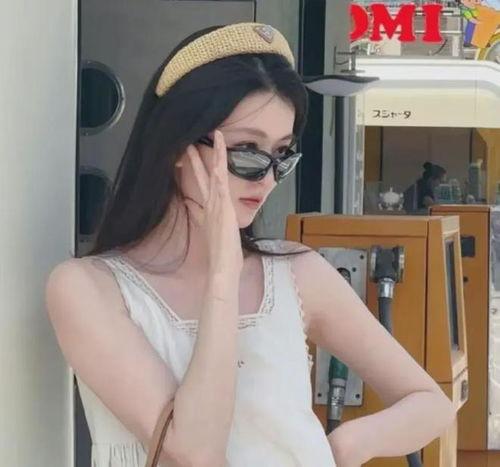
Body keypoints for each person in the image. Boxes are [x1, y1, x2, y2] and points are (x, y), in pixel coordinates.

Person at [45, 23, 455, 467]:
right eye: (246, 152)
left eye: (281, 155)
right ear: (178, 144)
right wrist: (223, 278)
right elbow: (195, 453)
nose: (267, 179)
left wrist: (344, 446)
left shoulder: (295, 273)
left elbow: (430, 402)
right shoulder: (89, 289)